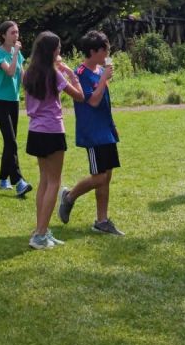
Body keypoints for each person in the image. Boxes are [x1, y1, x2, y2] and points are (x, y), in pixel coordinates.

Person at [22, 31, 85, 250]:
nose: (60, 51)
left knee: (43, 181)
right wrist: (70, 73)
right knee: (54, 182)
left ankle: (42, 230)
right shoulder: (55, 75)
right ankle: (40, 235)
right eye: (58, 48)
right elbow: (79, 95)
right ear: (52, 51)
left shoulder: (28, 73)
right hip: (52, 130)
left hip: (35, 131)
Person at [57, 30, 124, 235]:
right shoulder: (81, 74)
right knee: (99, 177)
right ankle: (69, 196)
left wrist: (112, 125)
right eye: (105, 51)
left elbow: (103, 102)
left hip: (106, 130)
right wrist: (104, 78)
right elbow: (92, 101)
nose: (107, 55)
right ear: (94, 51)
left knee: (107, 176)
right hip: (93, 133)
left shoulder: (97, 72)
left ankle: (102, 221)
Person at [0, 21, 32, 198]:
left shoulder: (18, 53)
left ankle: (2, 178)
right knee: (12, 141)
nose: (16, 36)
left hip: (13, 102)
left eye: (17, 32)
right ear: (3, 35)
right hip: (0, 102)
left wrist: (31, 92)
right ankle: (19, 181)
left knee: (10, 141)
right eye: (12, 33)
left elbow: (21, 75)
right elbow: (9, 72)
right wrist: (15, 53)